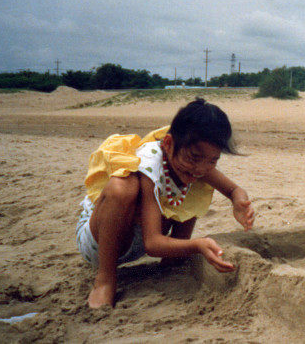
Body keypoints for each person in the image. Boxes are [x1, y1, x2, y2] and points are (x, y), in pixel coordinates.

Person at [76, 97, 254, 308]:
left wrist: (239, 200)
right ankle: (105, 280)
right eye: (193, 158)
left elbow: (233, 189)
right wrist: (197, 245)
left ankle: (172, 263)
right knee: (122, 188)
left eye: (212, 160)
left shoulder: (197, 164)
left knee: (195, 183)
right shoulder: (150, 161)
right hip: (100, 242)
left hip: (137, 241)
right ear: (168, 144)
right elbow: (152, 243)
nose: (200, 168)